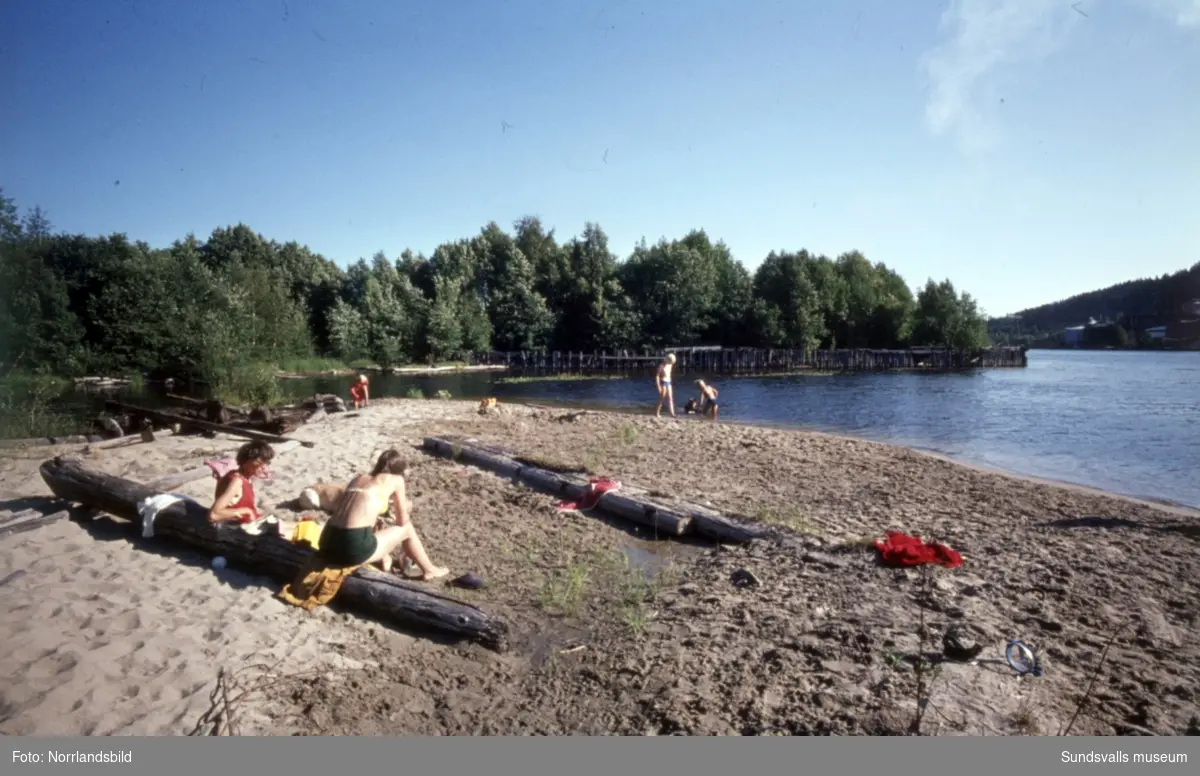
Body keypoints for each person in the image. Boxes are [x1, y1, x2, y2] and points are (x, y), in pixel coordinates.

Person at [318, 450, 449, 580]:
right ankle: (429, 570)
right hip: (351, 546)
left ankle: (385, 560)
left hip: (326, 541)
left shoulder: (358, 479)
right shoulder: (397, 480)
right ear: (400, 469)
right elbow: (402, 521)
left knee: (372, 529)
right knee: (407, 529)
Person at [208, 440, 275, 524]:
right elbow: (214, 514)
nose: (264, 467)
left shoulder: (241, 476)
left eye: (267, 463)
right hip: (240, 528)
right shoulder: (237, 481)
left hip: (249, 521)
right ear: (245, 462)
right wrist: (246, 511)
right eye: (259, 464)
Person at [655, 353, 677, 418]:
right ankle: (657, 412)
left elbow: (669, 373)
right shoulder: (661, 365)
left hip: (669, 381)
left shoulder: (670, 365)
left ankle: (672, 413)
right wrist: (658, 386)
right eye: (670, 361)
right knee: (662, 398)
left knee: (670, 397)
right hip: (663, 382)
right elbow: (657, 376)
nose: (671, 363)